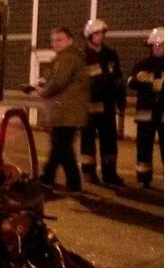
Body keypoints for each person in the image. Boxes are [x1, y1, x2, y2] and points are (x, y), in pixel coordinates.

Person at [36, 27, 90, 192]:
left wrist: (43, 91)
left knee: (62, 147)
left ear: (70, 41)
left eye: (59, 40)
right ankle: (48, 177)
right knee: (59, 146)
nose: (55, 43)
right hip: (67, 112)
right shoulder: (68, 58)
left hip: (67, 112)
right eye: (53, 40)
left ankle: (71, 183)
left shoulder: (67, 58)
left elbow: (59, 82)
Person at [80, 19, 126, 185]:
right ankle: (89, 173)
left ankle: (110, 173)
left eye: (102, 33)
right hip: (89, 107)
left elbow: (118, 79)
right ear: (89, 36)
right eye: (97, 33)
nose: (100, 36)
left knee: (109, 141)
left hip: (107, 106)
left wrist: (121, 101)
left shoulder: (111, 54)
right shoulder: (82, 56)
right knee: (88, 142)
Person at [127, 27, 164, 188]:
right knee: (143, 148)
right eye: (154, 46)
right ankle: (144, 179)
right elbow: (130, 82)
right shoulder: (142, 65)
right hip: (145, 114)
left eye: (160, 46)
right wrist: (148, 82)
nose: (157, 48)